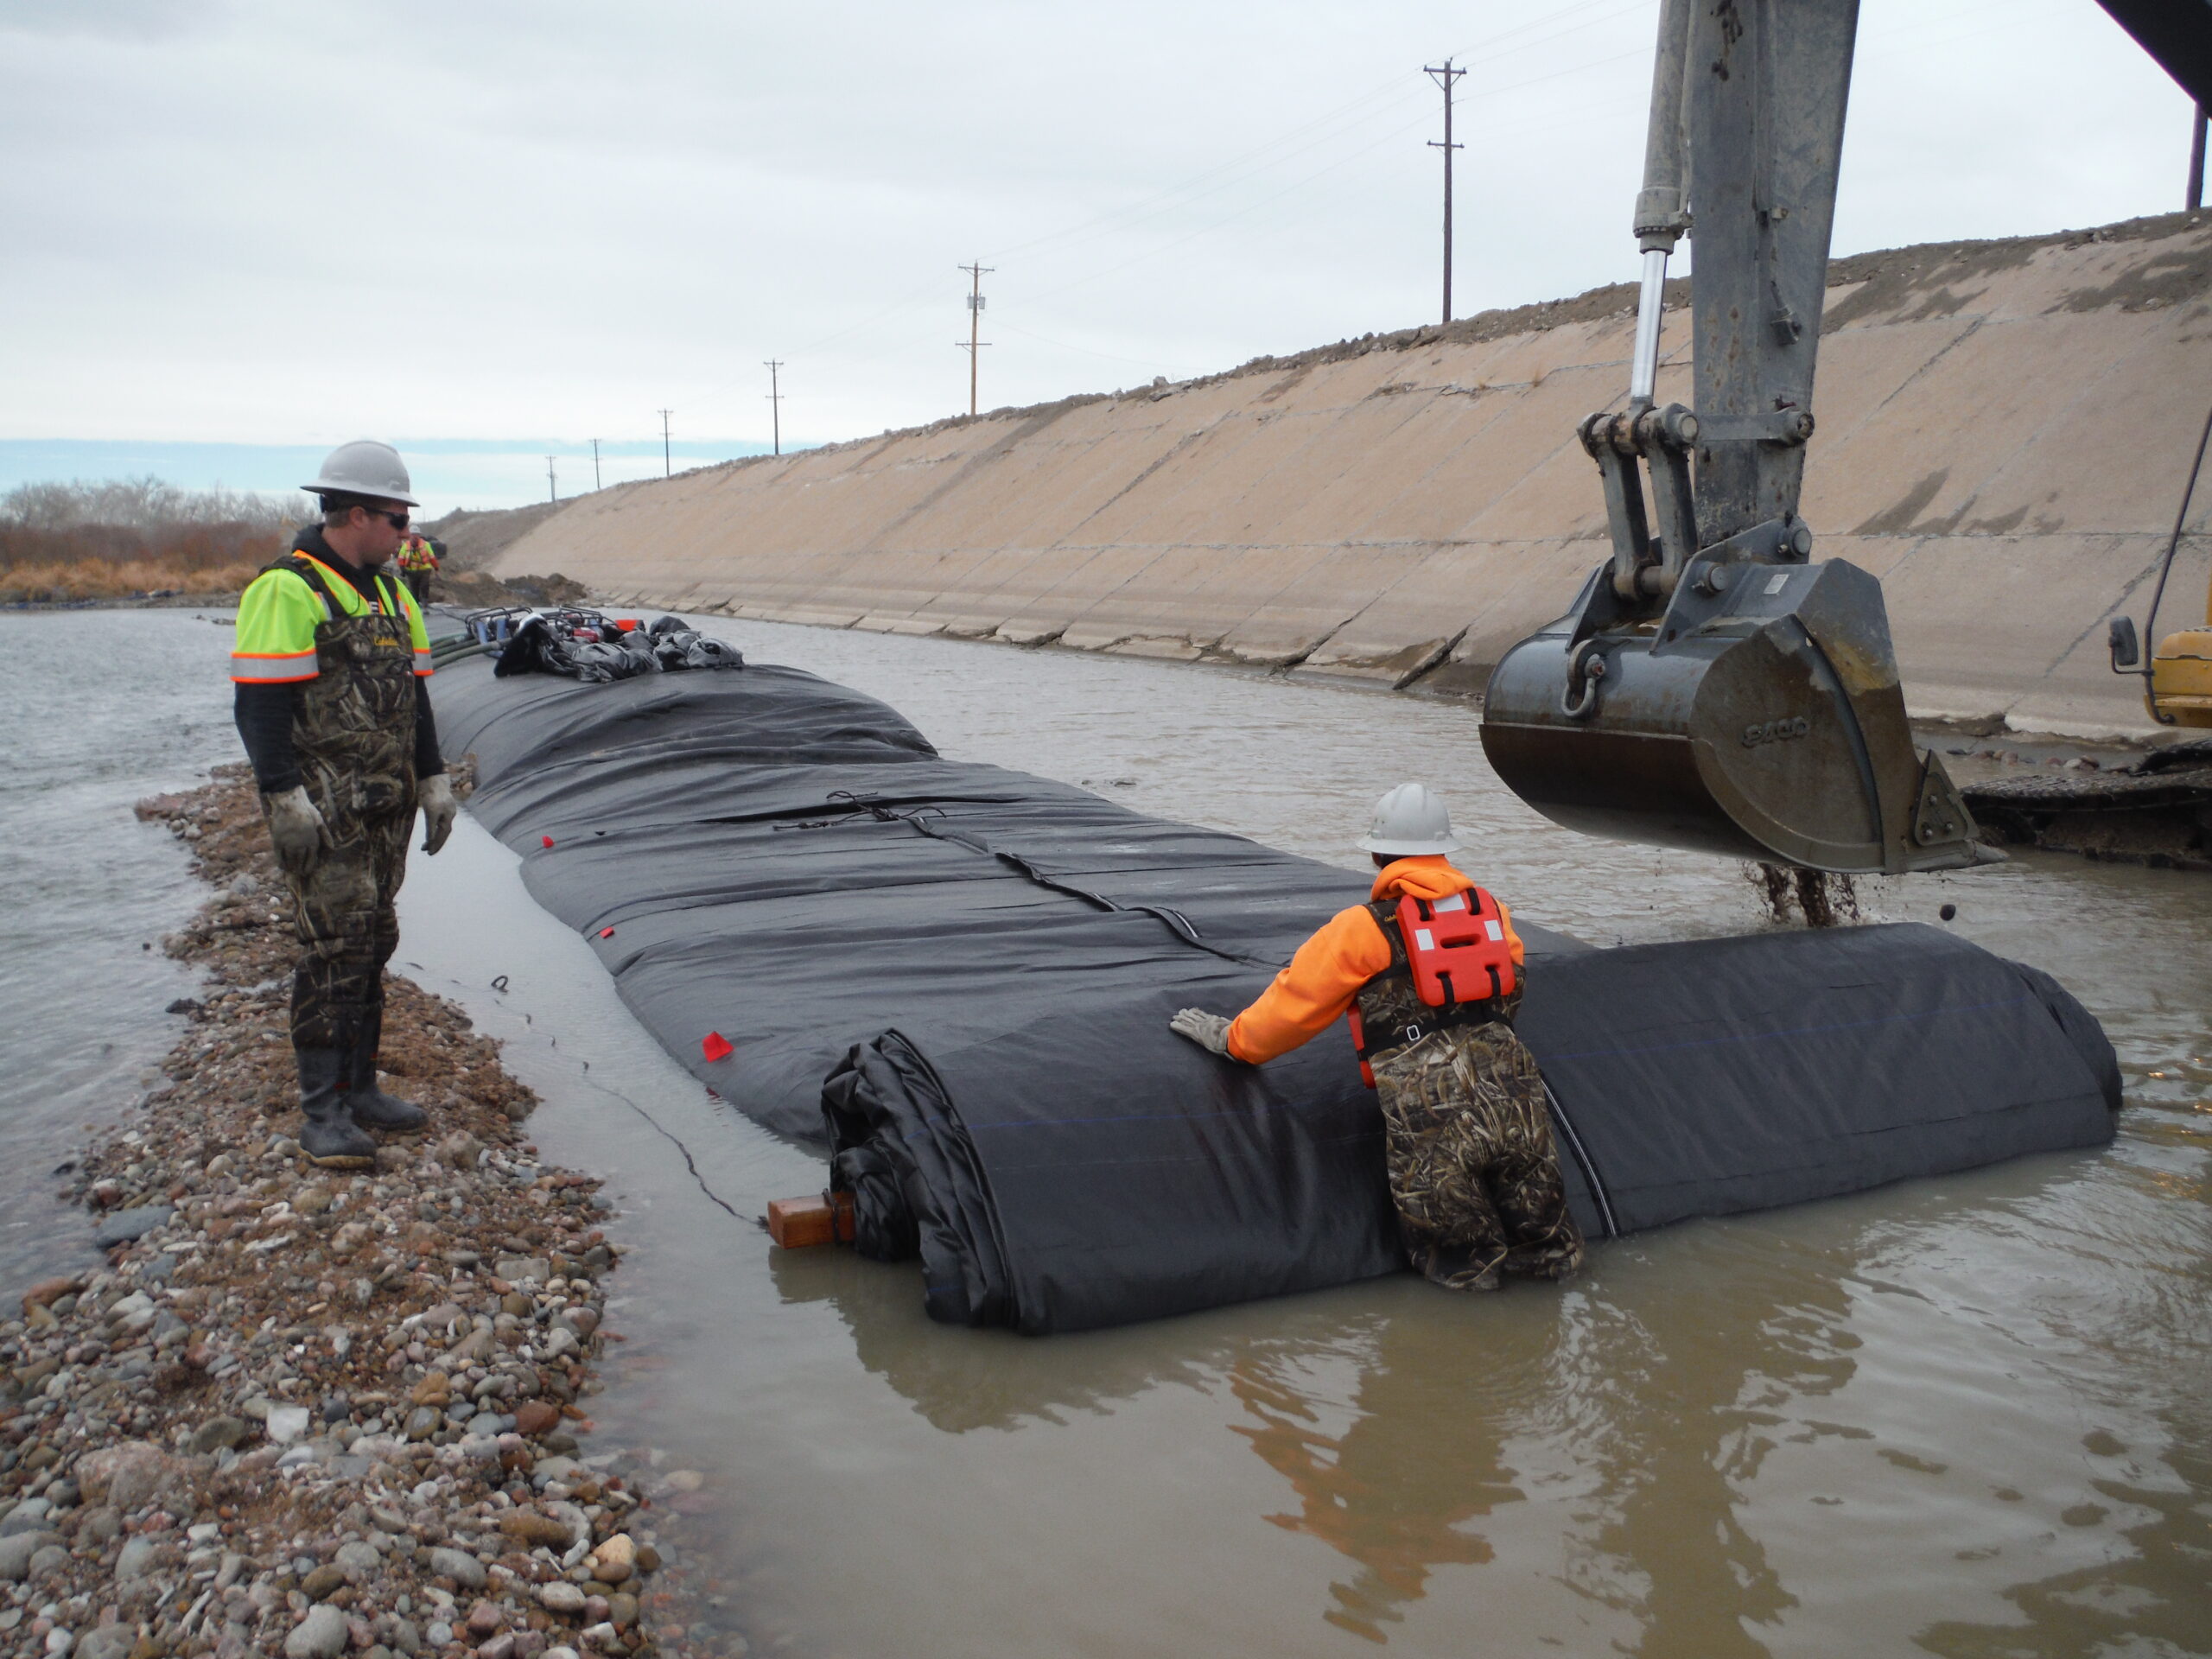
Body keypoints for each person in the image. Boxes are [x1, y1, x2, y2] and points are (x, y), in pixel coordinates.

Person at [1169, 784, 1583, 1291]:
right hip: (1517, 1098)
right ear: (1445, 849)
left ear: (1377, 854)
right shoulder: (1490, 910)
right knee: (1551, 1260)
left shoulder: (1361, 930)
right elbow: (1508, 988)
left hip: (1432, 1118)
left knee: (1465, 1273)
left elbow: (1292, 1008)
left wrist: (1232, 1040)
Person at [231, 440, 459, 1169]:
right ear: (355, 514)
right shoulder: (287, 589)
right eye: (397, 521)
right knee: (332, 951)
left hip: (383, 809)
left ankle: (360, 1087)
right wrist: (282, 797)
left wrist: (433, 779)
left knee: (375, 938)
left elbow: (416, 696)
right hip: (323, 811)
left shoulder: (392, 592)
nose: (406, 537)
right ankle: (322, 1112)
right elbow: (260, 704)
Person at [395, 526, 439, 606]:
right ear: (409, 536)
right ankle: (415, 604)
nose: (415, 537)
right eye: (413, 535)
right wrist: (403, 570)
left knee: (424, 586)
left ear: (419, 535)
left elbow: (432, 557)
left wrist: (436, 567)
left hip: (424, 570)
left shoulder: (426, 545)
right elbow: (401, 559)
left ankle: (425, 603)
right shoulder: (405, 546)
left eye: (417, 535)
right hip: (411, 571)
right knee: (413, 588)